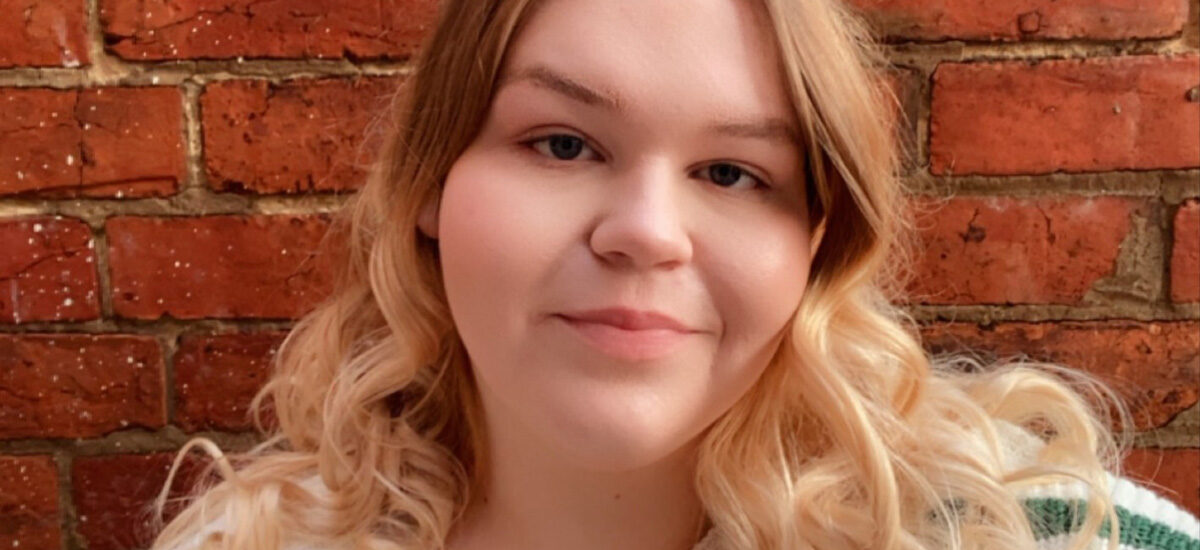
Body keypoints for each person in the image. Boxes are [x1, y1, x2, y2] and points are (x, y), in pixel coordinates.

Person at [149, 0, 1200, 549]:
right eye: (562, 143)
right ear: (429, 181)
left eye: (734, 172)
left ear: (818, 246)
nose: (647, 233)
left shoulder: (1042, 534)